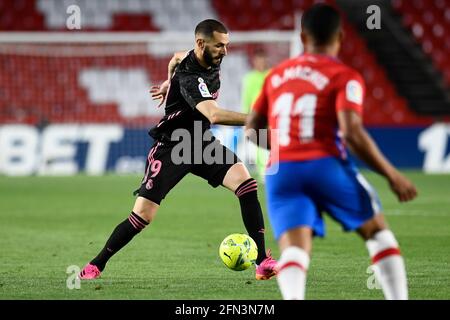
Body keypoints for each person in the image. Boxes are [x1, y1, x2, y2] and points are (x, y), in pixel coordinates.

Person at [79, 19, 277, 281]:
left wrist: (166, 82)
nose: (225, 52)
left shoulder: (196, 58)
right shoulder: (190, 76)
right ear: (201, 43)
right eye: (219, 46)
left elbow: (174, 58)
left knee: (246, 184)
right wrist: (259, 119)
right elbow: (214, 115)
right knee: (142, 217)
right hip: (172, 146)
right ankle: (96, 264)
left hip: (200, 143)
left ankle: (262, 261)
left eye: (226, 45)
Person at [245, 4, 417, 299]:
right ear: (340, 37)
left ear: (301, 36)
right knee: (377, 233)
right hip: (325, 164)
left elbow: (251, 129)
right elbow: (351, 133)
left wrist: (284, 148)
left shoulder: (276, 76)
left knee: (295, 248)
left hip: (282, 171)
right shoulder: (345, 76)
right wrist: (391, 175)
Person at [241, 49, 270, 181]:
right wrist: (245, 117)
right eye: (259, 61)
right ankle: (263, 171)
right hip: (254, 116)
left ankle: (267, 170)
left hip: (268, 115)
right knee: (258, 144)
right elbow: (246, 98)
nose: (261, 63)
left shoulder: (270, 75)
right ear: (255, 62)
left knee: (267, 143)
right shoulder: (249, 78)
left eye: (263, 61)